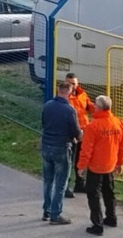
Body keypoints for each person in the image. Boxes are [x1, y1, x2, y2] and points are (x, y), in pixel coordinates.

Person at [77, 95, 123, 236]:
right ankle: (111, 218)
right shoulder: (118, 122)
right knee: (109, 193)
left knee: (93, 195)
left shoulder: (93, 126)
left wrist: (81, 166)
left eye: (95, 106)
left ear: (99, 108)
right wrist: (120, 162)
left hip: (96, 167)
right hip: (110, 165)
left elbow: (86, 149)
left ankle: (97, 224)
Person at [40, 81, 81, 225]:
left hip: (46, 146)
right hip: (61, 148)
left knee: (48, 181)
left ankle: (47, 210)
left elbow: (44, 123)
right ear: (69, 92)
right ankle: (56, 214)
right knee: (61, 183)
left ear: (58, 91)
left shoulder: (48, 105)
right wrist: (79, 135)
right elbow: (76, 132)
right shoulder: (69, 110)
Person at [65, 73, 95, 196]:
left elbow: (90, 107)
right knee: (68, 161)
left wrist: (101, 109)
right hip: (71, 133)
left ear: (77, 84)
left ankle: (80, 184)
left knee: (80, 160)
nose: (72, 86)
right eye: (69, 83)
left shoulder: (82, 94)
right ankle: (65, 186)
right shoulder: (64, 97)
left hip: (83, 132)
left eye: (74, 84)